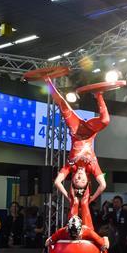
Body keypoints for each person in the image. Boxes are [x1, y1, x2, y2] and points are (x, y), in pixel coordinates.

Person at [46, 77, 109, 226]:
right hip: (91, 131)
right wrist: (92, 197)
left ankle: (47, 79)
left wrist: (69, 196)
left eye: (76, 181)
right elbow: (103, 185)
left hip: (75, 130)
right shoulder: (92, 166)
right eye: (82, 181)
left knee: (62, 104)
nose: (79, 178)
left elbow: (57, 182)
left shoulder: (70, 166)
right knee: (105, 121)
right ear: (87, 180)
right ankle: (98, 95)